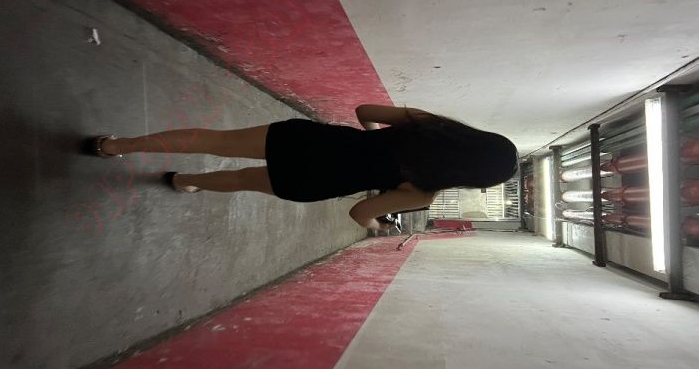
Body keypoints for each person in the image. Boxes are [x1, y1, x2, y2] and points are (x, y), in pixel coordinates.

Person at [88, 104, 519, 231]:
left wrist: (370, 139)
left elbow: (364, 111)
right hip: (312, 179)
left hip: (311, 141)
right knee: (241, 181)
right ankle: (186, 181)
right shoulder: (423, 192)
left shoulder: (427, 124)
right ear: (471, 179)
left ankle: (115, 145)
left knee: (215, 140)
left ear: (477, 137)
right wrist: (376, 225)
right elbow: (360, 212)